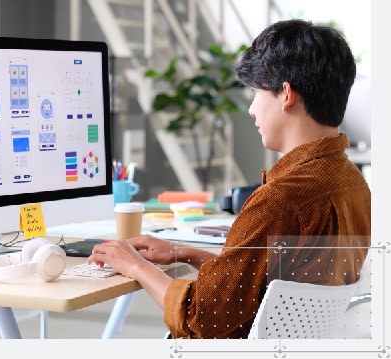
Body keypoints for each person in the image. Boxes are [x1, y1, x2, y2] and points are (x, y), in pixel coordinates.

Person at [87, 19, 371, 339]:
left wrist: (136, 266)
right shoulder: (354, 185)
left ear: (286, 95)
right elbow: (269, 287)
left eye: (256, 93)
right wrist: (184, 252)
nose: (251, 109)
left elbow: (200, 318)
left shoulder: (280, 200)